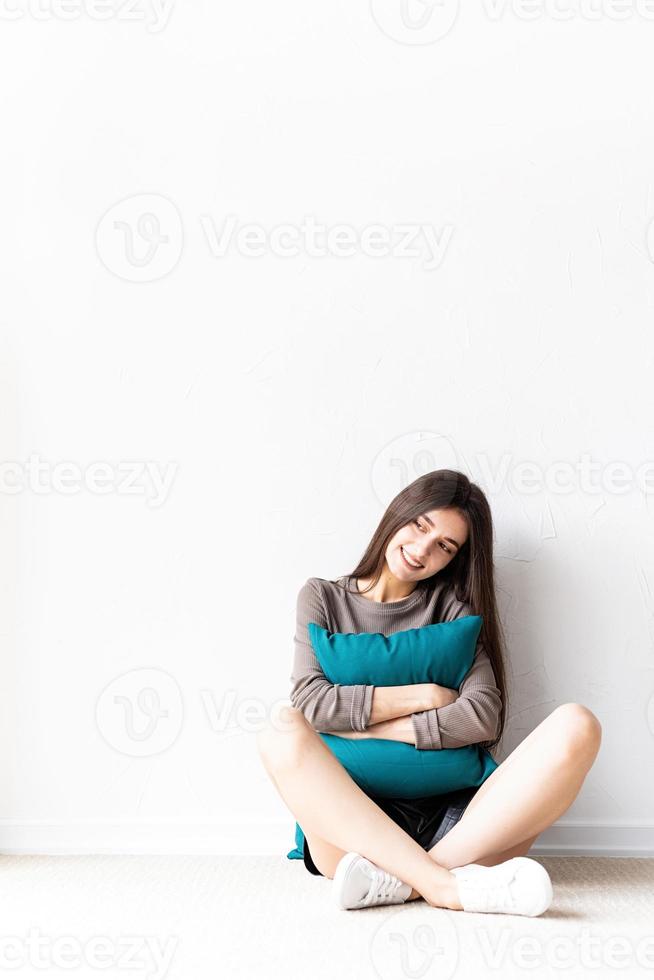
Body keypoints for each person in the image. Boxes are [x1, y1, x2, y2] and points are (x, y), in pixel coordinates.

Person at [257, 469, 602, 914]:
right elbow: (310, 703)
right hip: (352, 830)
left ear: (454, 559)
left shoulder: (455, 611)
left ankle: (417, 879)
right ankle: (445, 885)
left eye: (444, 545)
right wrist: (424, 695)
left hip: (462, 827)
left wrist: (366, 730)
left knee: (578, 724)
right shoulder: (323, 597)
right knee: (279, 732)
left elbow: (482, 717)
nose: (422, 550)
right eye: (421, 525)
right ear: (399, 512)